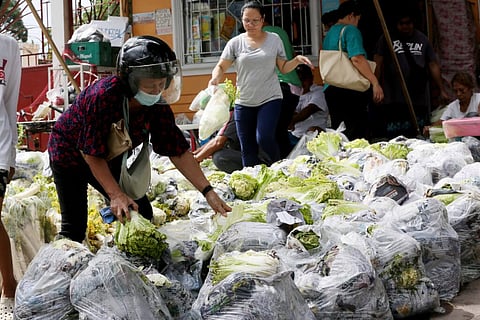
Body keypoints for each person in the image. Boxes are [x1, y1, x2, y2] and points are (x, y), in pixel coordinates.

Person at [48, 36, 231, 243]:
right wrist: (115, 194)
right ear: (131, 80)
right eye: (150, 85)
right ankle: (64, 262)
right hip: (70, 154)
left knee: (140, 212)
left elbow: (176, 150)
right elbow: (90, 153)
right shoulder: (104, 96)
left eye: (161, 84)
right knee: (74, 228)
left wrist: (208, 191)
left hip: (108, 156)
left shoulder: (157, 105)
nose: (156, 91)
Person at [208, 1, 313, 168]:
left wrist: (297, 60)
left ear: (263, 19)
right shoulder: (235, 43)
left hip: (270, 98)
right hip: (244, 101)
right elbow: (221, 66)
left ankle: (278, 168)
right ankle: (254, 178)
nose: (250, 24)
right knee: (247, 147)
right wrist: (215, 79)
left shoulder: (274, 39)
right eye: (246, 20)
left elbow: (283, 67)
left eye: (255, 20)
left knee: (264, 137)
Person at [373, 10, 449, 139]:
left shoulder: (422, 39)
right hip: (393, 94)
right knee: (395, 132)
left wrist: (442, 89)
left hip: (417, 94)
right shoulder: (386, 38)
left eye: (408, 23)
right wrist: (376, 84)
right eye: (401, 24)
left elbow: (433, 65)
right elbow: (378, 62)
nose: (405, 27)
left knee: (416, 131)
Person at [321, 0, 384, 141]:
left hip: (331, 88)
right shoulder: (350, 30)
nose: (357, 23)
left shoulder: (330, 33)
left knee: (340, 133)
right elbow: (357, 59)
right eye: (357, 19)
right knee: (356, 135)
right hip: (349, 90)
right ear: (351, 16)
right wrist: (375, 82)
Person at [0, 33, 21, 316]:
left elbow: (10, 102)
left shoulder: (8, 46)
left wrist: (11, 152)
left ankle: (9, 289)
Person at [262, 20, 302, 157]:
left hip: (280, 86)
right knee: (279, 130)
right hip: (293, 86)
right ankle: (286, 161)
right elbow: (291, 55)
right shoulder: (281, 32)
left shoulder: (261, 35)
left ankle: (283, 162)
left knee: (274, 131)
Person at [288, 64, 329, 145]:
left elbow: (309, 110)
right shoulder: (294, 92)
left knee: (313, 131)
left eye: (304, 79)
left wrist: (292, 121)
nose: (301, 83)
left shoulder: (319, 91)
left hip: (313, 135)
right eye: (299, 80)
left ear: (311, 78)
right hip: (294, 135)